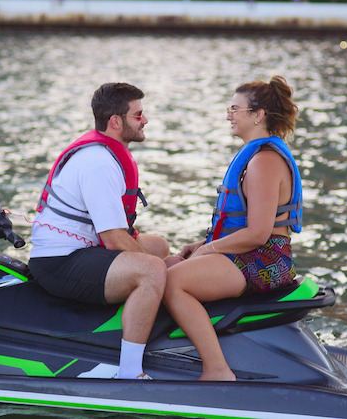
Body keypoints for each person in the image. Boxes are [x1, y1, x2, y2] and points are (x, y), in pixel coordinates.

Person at [163, 75, 303, 381]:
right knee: (166, 264)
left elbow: (258, 233)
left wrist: (207, 250)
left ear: (257, 115)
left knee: (174, 282)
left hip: (265, 259)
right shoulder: (256, 154)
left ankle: (217, 370)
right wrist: (200, 246)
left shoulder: (264, 161)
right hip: (249, 253)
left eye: (235, 108)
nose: (229, 114)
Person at [29, 82, 170, 380]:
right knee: (154, 270)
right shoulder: (99, 163)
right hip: (59, 262)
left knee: (159, 247)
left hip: (80, 249)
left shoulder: (105, 155)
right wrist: (161, 271)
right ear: (115, 121)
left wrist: (154, 257)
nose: (145, 120)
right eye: (138, 115)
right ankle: (130, 372)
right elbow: (114, 238)